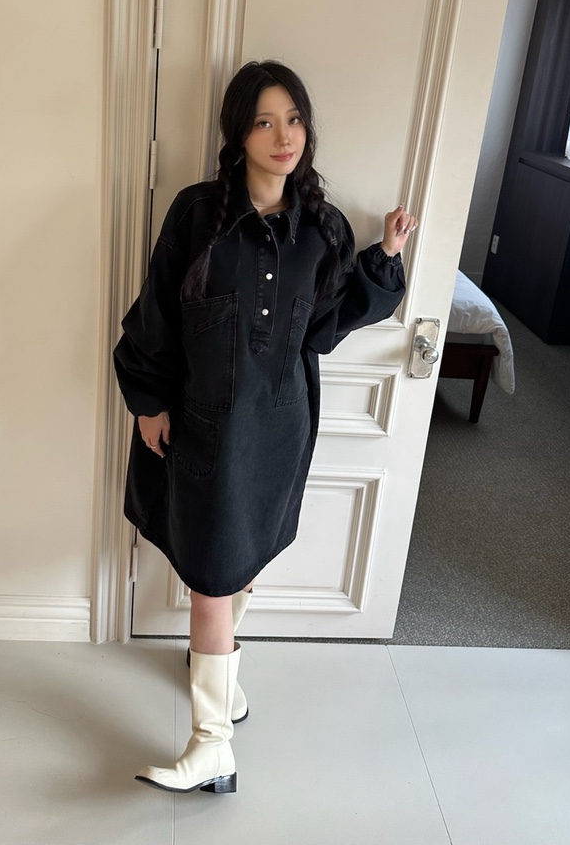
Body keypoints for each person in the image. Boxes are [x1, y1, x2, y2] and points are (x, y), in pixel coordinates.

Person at [113, 60, 416, 795]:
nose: (285, 136)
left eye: (294, 119)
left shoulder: (323, 228)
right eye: (264, 121)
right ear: (238, 134)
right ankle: (212, 737)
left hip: (279, 425)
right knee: (213, 577)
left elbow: (327, 326)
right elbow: (157, 309)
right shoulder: (197, 215)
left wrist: (382, 260)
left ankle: (220, 684)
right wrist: (148, 401)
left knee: (239, 565)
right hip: (204, 424)